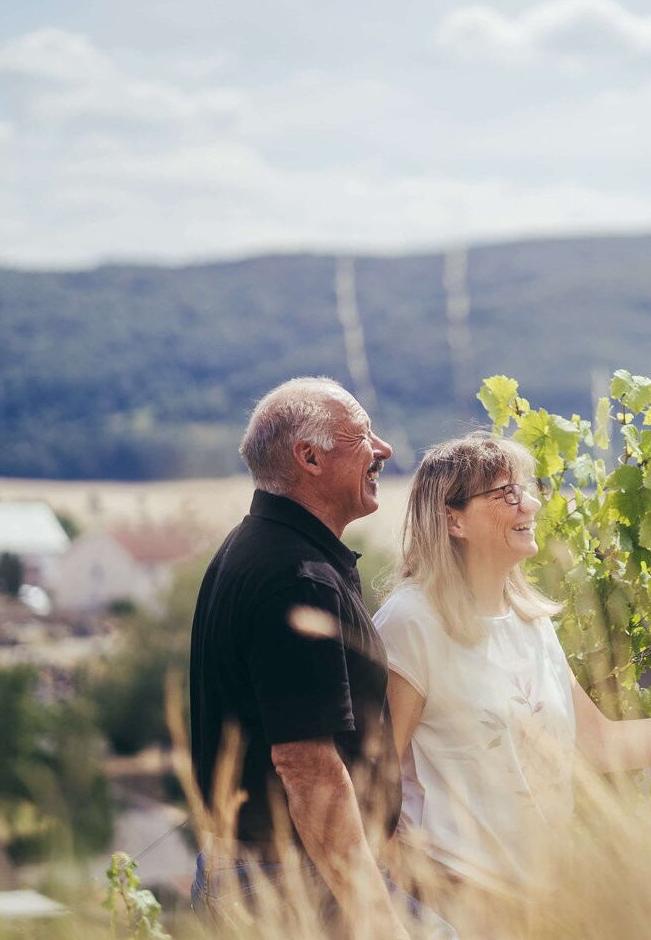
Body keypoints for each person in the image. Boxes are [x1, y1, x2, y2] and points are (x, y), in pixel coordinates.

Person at [371, 432, 651, 922]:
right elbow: (372, 789)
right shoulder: (411, 623)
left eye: (528, 488)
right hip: (450, 907)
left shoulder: (530, 620)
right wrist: (414, 904)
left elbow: (599, 744)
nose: (530, 503)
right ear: (452, 519)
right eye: (506, 494)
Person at [188, 376, 446, 939]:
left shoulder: (256, 547)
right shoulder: (297, 580)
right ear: (309, 457)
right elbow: (307, 769)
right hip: (290, 884)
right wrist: (379, 920)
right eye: (362, 436)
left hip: (268, 872)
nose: (384, 451)